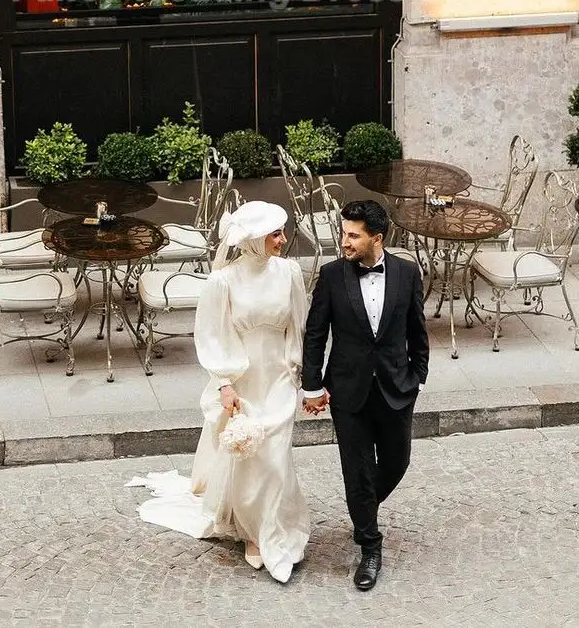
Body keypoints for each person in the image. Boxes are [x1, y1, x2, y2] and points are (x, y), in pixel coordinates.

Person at [132, 200, 311, 584]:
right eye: (274, 234)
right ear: (252, 241)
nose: (282, 240)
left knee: (276, 458)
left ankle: (275, 527)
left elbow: (299, 324)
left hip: (279, 377)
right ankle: (250, 531)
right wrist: (225, 383)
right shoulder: (223, 281)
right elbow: (212, 334)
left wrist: (300, 374)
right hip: (244, 379)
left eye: (282, 232)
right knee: (251, 459)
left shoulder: (290, 272)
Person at [301, 199, 429, 592]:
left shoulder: (407, 274)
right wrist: (312, 384)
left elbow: (417, 331)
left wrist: (417, 376)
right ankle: (369, 546)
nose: (345, 241)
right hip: (348, 392)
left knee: (397, 462)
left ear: (377, 237)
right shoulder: (332, 275)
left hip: (396, 388)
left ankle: (362, 507)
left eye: (353, 235)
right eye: (344, 233)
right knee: (356, 471)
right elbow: (316, 333)